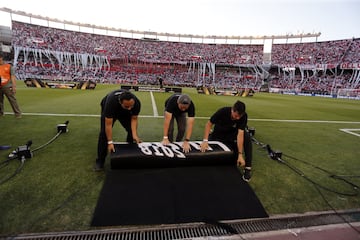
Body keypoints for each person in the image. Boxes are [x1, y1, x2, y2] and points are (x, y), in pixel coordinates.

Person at [200, 100, 253, 182]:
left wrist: (240, 154)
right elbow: (209, 124)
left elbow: (240, 134)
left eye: (239, 116)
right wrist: (205, 140)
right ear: (232, 110)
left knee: (246, 136)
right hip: (218, 134)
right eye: (236, 116)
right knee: (206, 154)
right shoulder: (223, 111)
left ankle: (248, 168)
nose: (238, 118)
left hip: (231, 135)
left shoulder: (243, 116)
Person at [95, 89, 142, 171]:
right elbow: (108, 124)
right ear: (120, 102)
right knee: (104, 134)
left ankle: (130, 152)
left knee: (131, 131)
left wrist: (134, 135)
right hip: (110, 107)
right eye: (127, 106)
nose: (130, 108)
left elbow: (134, 119)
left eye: (131, 106)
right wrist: (110, 142)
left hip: (123, 112)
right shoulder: (111, 103)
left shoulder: (136, 103)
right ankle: (100, 161)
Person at [0, 53, 21, 118]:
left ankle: (17, 113)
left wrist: (14, 86)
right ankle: (1, 113)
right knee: (0, 101)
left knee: (12, 100)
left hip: (7, 86)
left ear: (1, 58)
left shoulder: (8, 66)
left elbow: (12, 76)